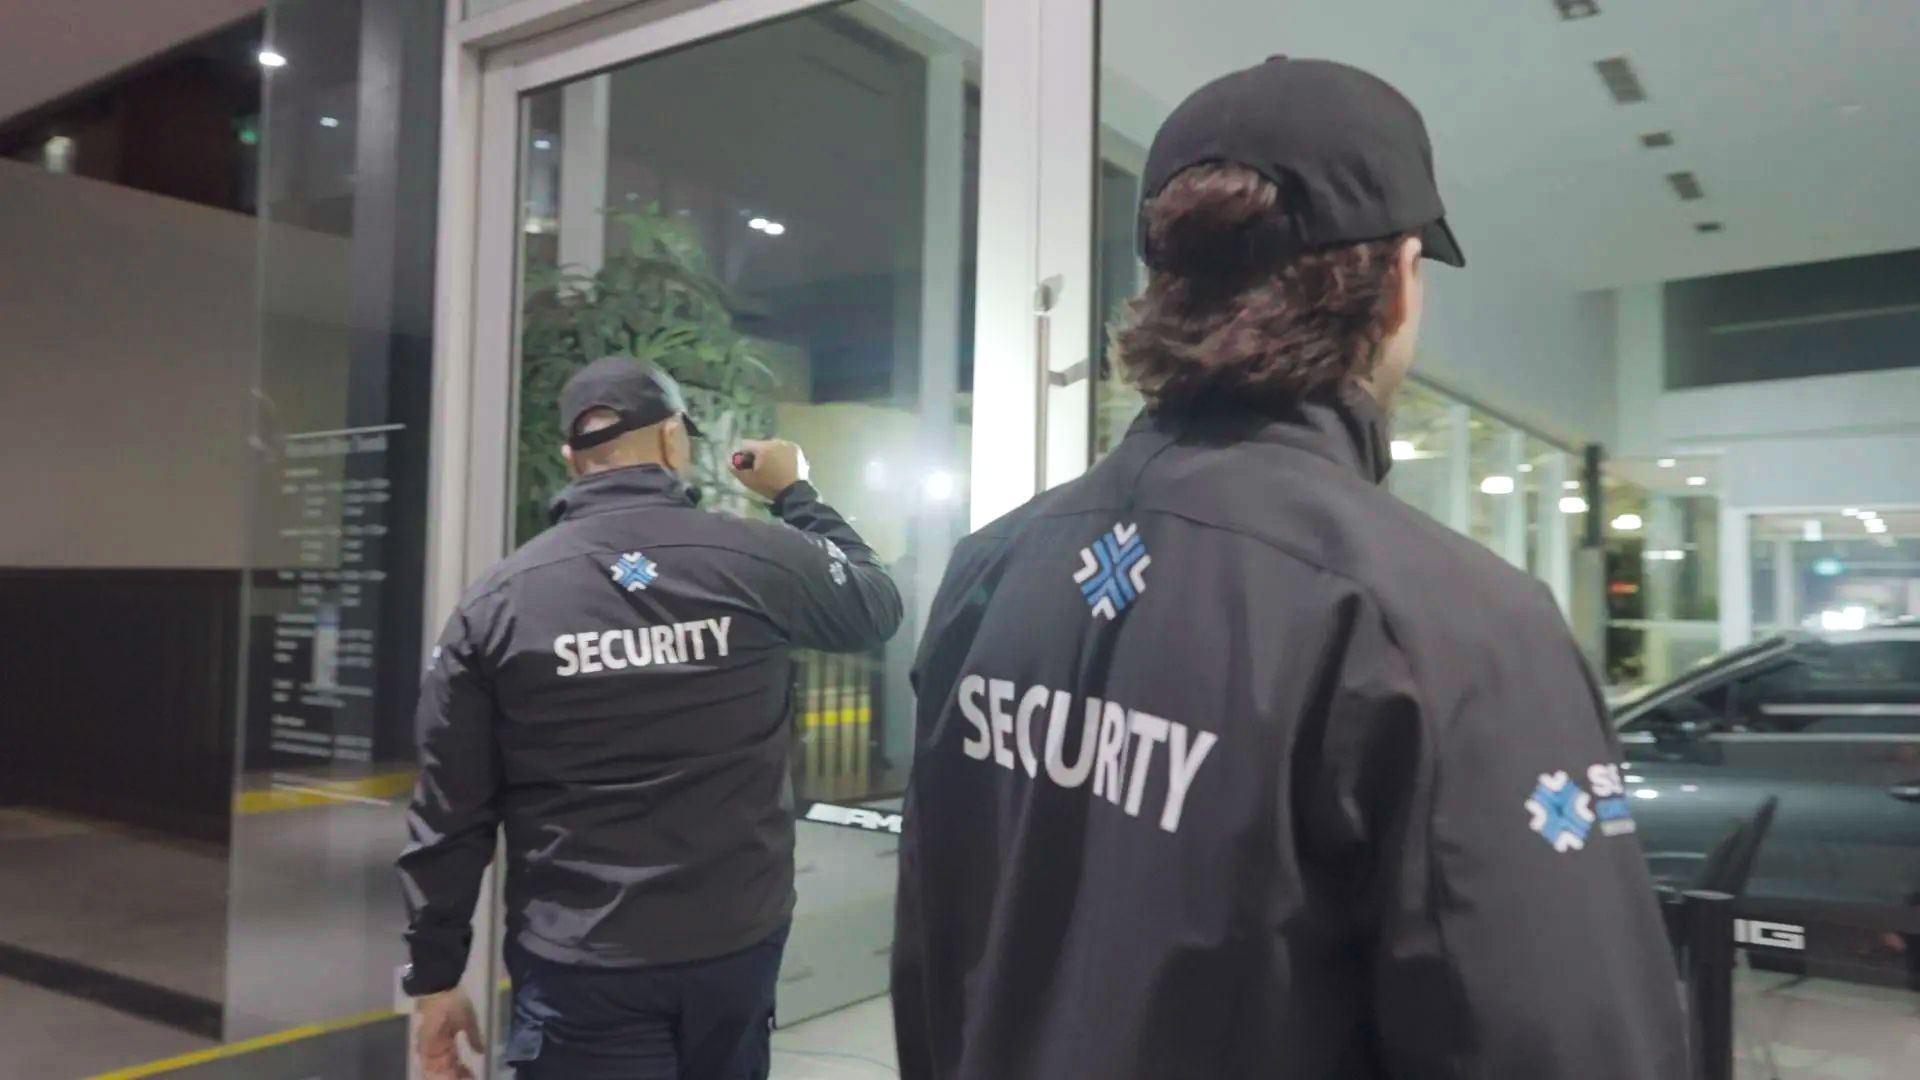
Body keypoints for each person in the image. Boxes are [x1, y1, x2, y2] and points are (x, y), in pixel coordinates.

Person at [893, 58, 1688, 1079]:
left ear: (1170, 287)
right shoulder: (1446, 626)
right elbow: (1570, 1047)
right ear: (1396, 285)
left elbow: (934, 954)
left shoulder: (989, 572)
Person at [399, 357, 903, 1079]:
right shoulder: (755, 558)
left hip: (581, 964)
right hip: (735, 946)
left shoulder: (499, 601)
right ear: (672, 440)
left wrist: (435, 976)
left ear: (571, 458)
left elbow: (449, 809)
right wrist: (795, 492)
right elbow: (875, 604)